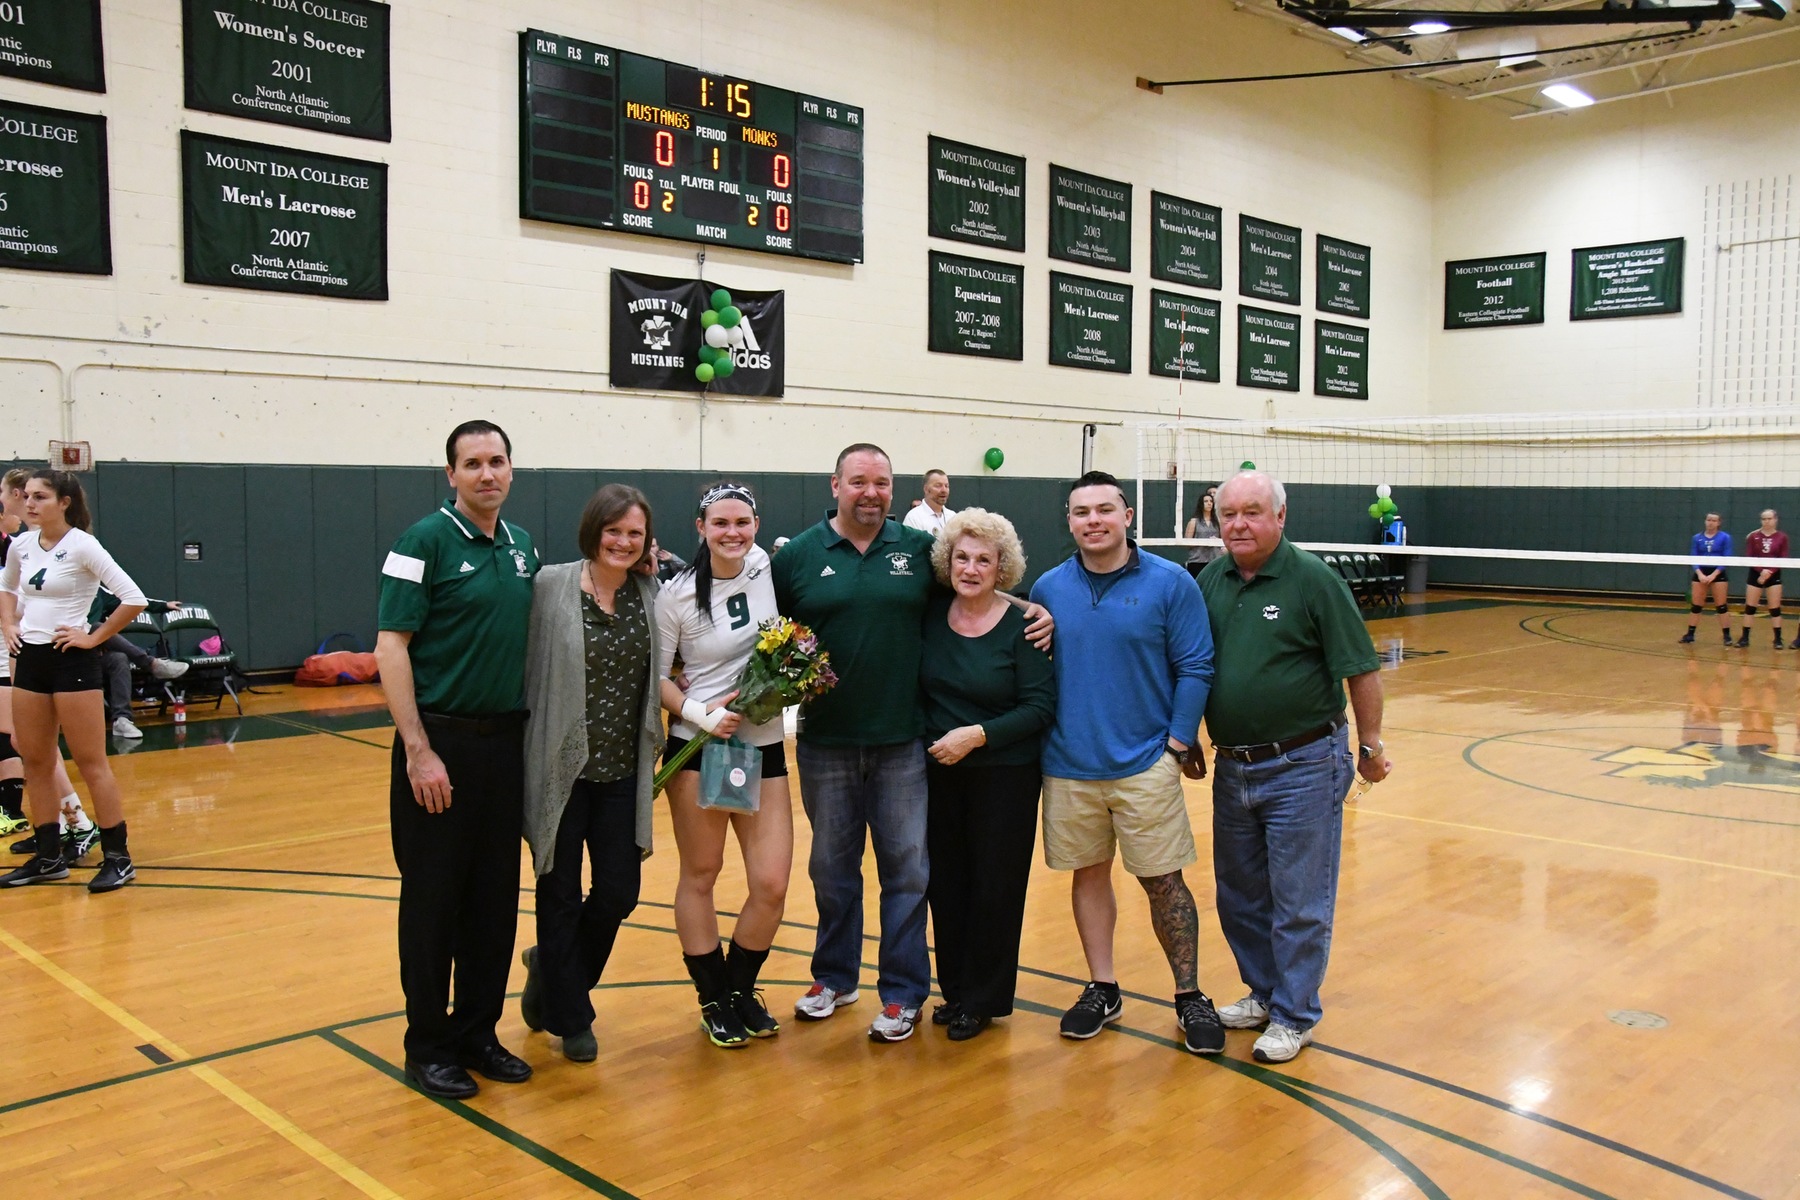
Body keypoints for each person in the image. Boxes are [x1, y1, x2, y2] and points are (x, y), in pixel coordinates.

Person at [772, 443, 1050, 1044]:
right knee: (831, 870)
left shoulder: (918, 551)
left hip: (905, 744)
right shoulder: (796, 556)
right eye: (859, 481)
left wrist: (1035, 609)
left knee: (907, 873)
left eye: (882, 482)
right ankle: (834, 977)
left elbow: (979, 588)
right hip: (826, 741)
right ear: (835, 484)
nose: (871, 492)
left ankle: (901, 993)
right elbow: (765, 629)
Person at [1028, 470, 1225, 1056]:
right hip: (1067, 764)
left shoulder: (1170, 583)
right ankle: (1103, 986)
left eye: (1104, 509)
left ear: (1128, 515)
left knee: (1164, 881)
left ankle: (1189, 995)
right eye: (1081, 511)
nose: (1093, 520)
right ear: (1069, 521)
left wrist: (1176, 745)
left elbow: (1196, 666)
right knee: (1088, 875)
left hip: (1146, 763)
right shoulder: (1047, 588)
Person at [1198, 470, 1391, 1065]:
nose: (1238, 524)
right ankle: (1263, 992)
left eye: (1252, 512)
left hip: (1304, 764)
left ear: (1281, 517)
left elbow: (1361, 669)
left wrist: (1372, 744)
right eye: (1228, 514)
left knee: (1299, 898)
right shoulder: (1209, 580)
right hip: (1234, 767)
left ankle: (1295, 1013)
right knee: (1240, 896)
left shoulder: (1314, 581)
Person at [375, 420, 539, 1100]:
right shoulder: (422, 541)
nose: (487, 474)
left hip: (505, 748)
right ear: (451, 474)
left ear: (511, 469)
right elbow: (391, 648)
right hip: (440, 748)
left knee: (494, 903)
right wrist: (419, 751)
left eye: (497, 461)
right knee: (434, 904)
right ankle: (428, 1045)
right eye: (472, 463)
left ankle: (477, 1032)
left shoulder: (523, 546)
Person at [518, 484, 662, 1064]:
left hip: (623, 768)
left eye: (635, 533)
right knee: (557, 890)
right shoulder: (551, 584)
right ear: (593, 531)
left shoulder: (650, 591)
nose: (624, 542)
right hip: (561, 765)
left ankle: (550, 970)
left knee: (617, 892)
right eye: (614, 531)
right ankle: (571, 1018)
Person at [655, 482, 792, 1048]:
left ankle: (739, 990)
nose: (733, 533)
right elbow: (658, 679)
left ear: (756, 525)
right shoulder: (677, 595)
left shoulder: (766, 565)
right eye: (721, 523)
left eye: (743, 522)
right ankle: (713, 999)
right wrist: (697, 712)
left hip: (761, 746)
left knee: (771, 882)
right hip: (700, 747)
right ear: (701, 528)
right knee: (702, 874)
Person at [919, 508, 1054, 1042]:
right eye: (962, 557)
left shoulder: (1026, 626)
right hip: (937, 773)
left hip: (1005, 775)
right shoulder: (930, 613)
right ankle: (954, 992)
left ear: (1002, 568)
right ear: (947, 562)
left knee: (995, 889)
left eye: (983, 560)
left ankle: (984, 998)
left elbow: (1041, 707)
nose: (970, 568)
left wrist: (977, 735)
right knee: (946, 886)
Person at [0, 469, 148, 893]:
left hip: (72, 661)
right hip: (31, 658)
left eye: (40, 497)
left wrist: (94, 637)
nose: (29, 504)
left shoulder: (83, 546)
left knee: (90, 762)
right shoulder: (22, 545)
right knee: (35, 760)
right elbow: (7, 587)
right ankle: (49, 858)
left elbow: (133, 598)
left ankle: (118, 858)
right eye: (26, 496)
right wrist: (9, 623)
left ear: (64, 502)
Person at [0, 468, 88, 857]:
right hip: (18, 647)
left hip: (22, 651)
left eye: (5, 493)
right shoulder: (20, 545)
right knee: (28, 743)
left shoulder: (36, 545)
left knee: (31, 743)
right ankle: (49, 825)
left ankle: (77, 823)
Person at [91, 589, 188, 739]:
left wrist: (163, 605)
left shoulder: (99, 591)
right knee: (97, 627)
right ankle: (151, 664)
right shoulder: (59, 589)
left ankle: (122, 719)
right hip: (67, 654)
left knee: (119, 658)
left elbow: (133, 600)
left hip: (94, 656)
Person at [1680, 513, 1733, 646]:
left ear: (1719, 523)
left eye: (1714, 520)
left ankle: (1727, 636)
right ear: (1705, 521)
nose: (1710, 523)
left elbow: (1726, 558)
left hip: (1718, 573)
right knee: (1696, 606)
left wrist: (1713, 575)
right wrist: (1700, 574)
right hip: (1701, 573)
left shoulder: (1725, 537)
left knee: (1721, 606)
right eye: (1708, 520)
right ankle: (1690, 634)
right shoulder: (1697, 538)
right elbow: (1693, 557)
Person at [1738, 509, 1787, 649]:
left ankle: (1778, 639)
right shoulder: (1754, 537)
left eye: (1769, 518)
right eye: (1764, 519)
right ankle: (1745, 637)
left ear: (1775, 519)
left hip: (1774, 574)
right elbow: (1750, 556)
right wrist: (1761, 571)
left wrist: (1769, 572)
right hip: (1755, 573)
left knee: (1775, 608)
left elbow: (1783, 558)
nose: (1766, 521)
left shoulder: (1782, 537)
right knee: (1750, 607)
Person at [901, 469, 956, 537]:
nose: (944, 490)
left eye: (946, 486)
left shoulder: (953, 517)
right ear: (926, 489)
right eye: (938, 485)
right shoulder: (914, 518)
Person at [1183, 489, 1221, 579]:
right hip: (1197, 561)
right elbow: (1186, 544)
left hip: (1214, 561)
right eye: (1206, 501)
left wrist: (1217, 541)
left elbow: (1224, 539)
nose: (1209, 503)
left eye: (1211, 501)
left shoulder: (1218, 522)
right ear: (1201, 504)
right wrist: (1204, 542)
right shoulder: (1194, 522)